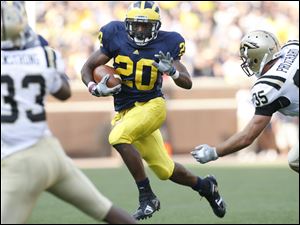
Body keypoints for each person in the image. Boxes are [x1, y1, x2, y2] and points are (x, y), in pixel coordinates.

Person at [81, 1, 226, 220]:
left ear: (156, 26)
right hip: (126, 111)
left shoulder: (168, 42)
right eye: (136, 25)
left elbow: (187, 82)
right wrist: (94, 88)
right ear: (127, 24)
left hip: (152, 106)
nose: (140, 30)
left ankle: (147, 197)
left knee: (118, 137)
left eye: (146, 25)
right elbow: (88, 68)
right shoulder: (114, 34)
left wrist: (173, 73)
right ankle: (206, 186)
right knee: (165, 170)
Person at [1, 2, 137, 224]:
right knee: (106, 211)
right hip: (50, 152)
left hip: (18, 161)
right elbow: (63, 92)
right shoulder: (42, 54)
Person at [191, 30, 299, 173]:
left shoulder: (268, 86)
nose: (247, 63)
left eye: (249, 59)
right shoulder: (292, 47)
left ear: (258, 57)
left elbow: (247, 137)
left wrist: (214, 152)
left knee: (295, 159)